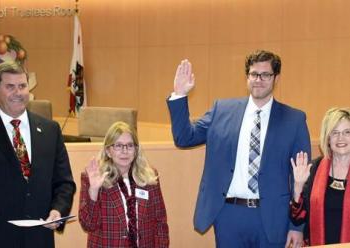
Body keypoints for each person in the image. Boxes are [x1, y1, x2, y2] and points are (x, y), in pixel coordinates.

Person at [166, 50, 311, 248]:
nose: (258, 80)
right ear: (247, 76)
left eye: (265, 75)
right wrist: (180, 95)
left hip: (272, 217)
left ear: (276, 78)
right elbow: (184, 138)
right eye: (253, 74)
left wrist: (297, 226)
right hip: (229, 215)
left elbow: (301, 178)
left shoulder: (294, 120)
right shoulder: (222, 110)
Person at [0, 61, 76, 248]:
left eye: (22, 86)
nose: (18, 93)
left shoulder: (50, 129)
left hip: (38, 238)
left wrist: (58, 209)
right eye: (10, 87)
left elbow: (64, 182)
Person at [79, 121, 169, 248]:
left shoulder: (149, 177)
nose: (125, 151)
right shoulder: (94, 178)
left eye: (130, 145)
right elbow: (88, 225)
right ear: (108, 151)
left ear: (136, 150)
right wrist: (93, 190)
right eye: (118, 145)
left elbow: (160, 223)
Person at [291, 107, 350, 246]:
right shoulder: (314, 169)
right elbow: (297, 218)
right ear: (328, 138)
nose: (341, 138)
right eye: (335, 133)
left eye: (347, 132)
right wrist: (298, 185)